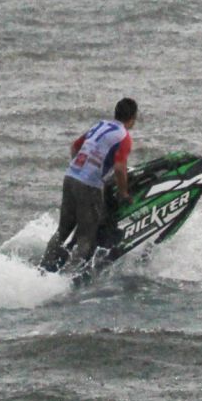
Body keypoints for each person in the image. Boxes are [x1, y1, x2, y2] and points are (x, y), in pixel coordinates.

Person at [41, 97, 138, 274]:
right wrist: (123, 193)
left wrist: (81, 170)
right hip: (89, 186)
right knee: (86, 237)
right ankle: (67, 279)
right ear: (132, 118)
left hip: (70, 177)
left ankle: (43, 267)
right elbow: (119, 168)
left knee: (63, 230)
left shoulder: (100, 125)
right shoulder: (124, 137)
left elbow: (75, 147)